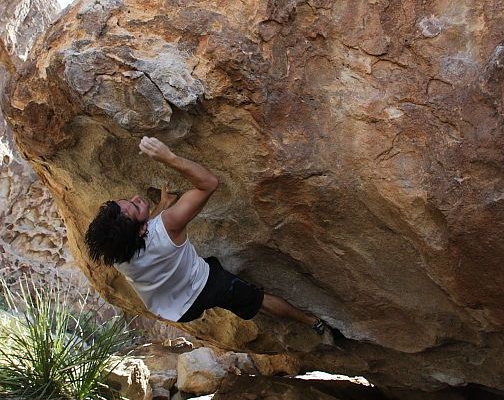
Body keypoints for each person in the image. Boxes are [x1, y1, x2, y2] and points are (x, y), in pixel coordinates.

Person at [85, 136, 327, 333]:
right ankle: (310, 321)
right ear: (142, 229)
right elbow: (209, 183)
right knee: (258, 300)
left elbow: (148, 232)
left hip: (176, 311)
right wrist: (168, 157)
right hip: (207, 285)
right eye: (135, 206)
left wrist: (162, 204)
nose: (136, 199)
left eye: (127, 201)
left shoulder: (115, 251)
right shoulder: (168, 225)